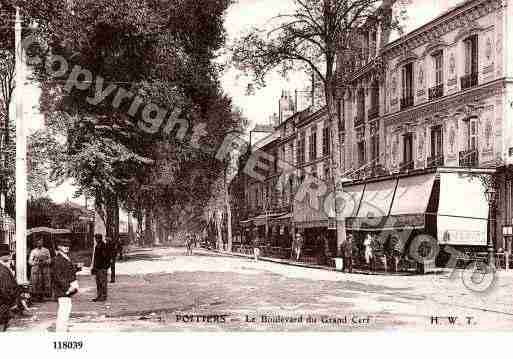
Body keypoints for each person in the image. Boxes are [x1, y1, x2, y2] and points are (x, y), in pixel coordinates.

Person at [52, 238, 79, 332]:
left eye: (68, 245)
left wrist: (76, 268)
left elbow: (66, 271)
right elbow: (57, 276)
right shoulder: (57, 259)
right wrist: (68, 287)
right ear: (59, 247)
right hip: (62, 289)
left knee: (66, 309)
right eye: (64, 246)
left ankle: (62, 328)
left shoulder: (65, 257)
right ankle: (60, 330)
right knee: (63, 310)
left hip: (67, 288)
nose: (67, 247)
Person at [0, 244, 19, 332]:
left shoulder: (4, 268)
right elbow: (6, 289)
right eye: (8, 255)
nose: (10, 256)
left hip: (3, 303)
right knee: (2, 327)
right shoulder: (3, 270)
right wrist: (12, 303)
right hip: (3, 305)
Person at [92, 234, 111, 301]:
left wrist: (106, 266)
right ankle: (99, 295)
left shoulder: (103, 246)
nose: (96, 240)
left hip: (102, 268)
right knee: (98, 283)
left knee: (103, 283)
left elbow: (106, 257)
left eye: (97, 238)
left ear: (100, 239)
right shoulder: (97, 246)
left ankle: (103, 296)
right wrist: (94, 267)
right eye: (96, 238)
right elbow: (95, 258)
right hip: (98, 268)